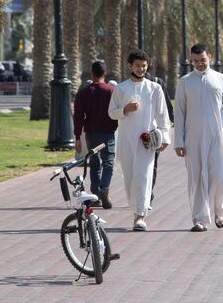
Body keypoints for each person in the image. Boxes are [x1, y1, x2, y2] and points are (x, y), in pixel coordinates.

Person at [173, 43, 223, 232]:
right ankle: (199, 218)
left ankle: (219, 208)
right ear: (191, 60)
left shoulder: (222, 80)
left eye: (203, 60)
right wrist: (179, 141)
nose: (200, 64)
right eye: (196, 61)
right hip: (193, 138)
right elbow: (179, 112)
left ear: (210, 57)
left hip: (217, 135)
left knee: (221, 174)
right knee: (197, 177)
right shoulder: (185, 82)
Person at [108, 49, 170, 231]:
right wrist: (125, 109)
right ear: (130, 66)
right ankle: (135, 208)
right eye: (137, 65)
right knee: (129, 178)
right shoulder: (121, 89)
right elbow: (111, 113)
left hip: (146, 141)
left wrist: (164, 137)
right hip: (126, 140)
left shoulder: (154, 88)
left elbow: (162, 115)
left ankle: (140, 216)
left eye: (144, 66)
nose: (141, 69)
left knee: (144, 176)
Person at [73, 60, 118, 209]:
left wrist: (77, 136)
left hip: (91, 133)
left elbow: (78, 116)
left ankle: (96, 195)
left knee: (94, 163)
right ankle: (104, 188)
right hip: (108, 132)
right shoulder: (111, 91)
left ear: (92, 74)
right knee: (108, 162)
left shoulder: (84, 92)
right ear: (104, 74)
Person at [146, 59, 175, 209]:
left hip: (149, 132)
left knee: (147, 163)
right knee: (152, 164)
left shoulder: (157, 84)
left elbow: (167, 106)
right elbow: (169, 106)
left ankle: (146, 194)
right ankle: (147, 193)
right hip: (151, 132)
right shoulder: (158, 83)